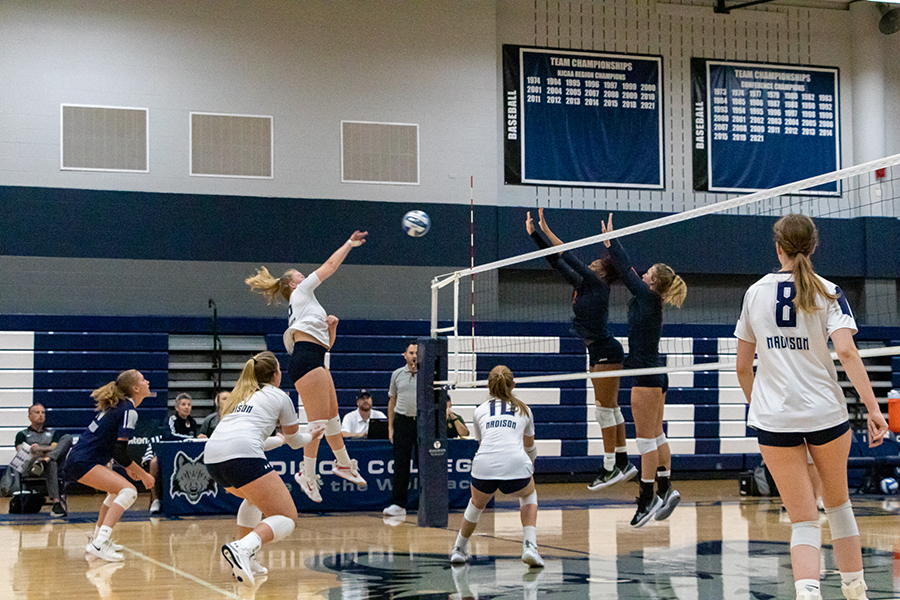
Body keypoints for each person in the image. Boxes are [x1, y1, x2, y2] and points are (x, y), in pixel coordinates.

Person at [734, 213, 888, 600]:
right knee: (838, 508)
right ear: (814, 247)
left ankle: (808, 594)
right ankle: (856, 591)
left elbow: (741, 366)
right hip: (824, 413)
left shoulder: (755, 292)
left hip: (775, 419)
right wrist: (873, 409)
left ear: (778, 247)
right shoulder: (829, 291)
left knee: (802, 520)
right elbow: (848, 352)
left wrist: (761, 406)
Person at [246, 230, 369, 503]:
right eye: (300, 275)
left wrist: (331, 329)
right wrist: (349, 243)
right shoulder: (301, 292)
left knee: (332, 417)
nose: (305, 276)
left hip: (316, 358)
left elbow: (325, 345)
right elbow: (329, 267)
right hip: (305, 361)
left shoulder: (306, 306)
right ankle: (307, 474)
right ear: (293, 285)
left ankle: (344, 464)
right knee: (317, 424)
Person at [528, 208, 636, 490]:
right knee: (610, 408)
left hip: (606, 350)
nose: (591, 264)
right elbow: (556, 261)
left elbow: (568, 253)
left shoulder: (598, 284)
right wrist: (535, 235)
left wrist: (547, 229)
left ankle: (610, 467)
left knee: (603, 410)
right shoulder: (582, 285)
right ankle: (623, 462)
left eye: (596, 263)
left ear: (602, 272)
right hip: (599, 350)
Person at [204, 351, 323, 586]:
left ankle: (247, 558)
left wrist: (278, 440)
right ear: (276, 373)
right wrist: (312, 434)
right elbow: (295, 441)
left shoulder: (240, 397)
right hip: (241, 456)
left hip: (212, 458)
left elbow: (247, 439)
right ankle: (242, 547)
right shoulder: (279, 396)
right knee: (287, 518)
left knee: (251, 499)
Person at [602, 213, 686, 527]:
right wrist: (610, 248)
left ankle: (646, 499)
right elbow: (626, 270)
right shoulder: (649, 297)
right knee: (657, 435)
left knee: (646, 442)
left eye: (647, 273)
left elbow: (625, 270)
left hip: (647, 377)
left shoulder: (649, 298)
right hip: (654, 374)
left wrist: (612, 242)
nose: (643, 273)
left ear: (652, 283)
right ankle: (665, 490)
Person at [449, 365, 543, 568]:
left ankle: (459, 548)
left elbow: (483, 444)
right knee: (528, 494)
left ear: (489, 387)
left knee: (476, 503)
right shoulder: (524, 409)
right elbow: (530, 447)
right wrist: (530, 466)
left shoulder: (479, 410)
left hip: (484, 465)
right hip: (516, 464)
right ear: (514, 385)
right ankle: (529, 546)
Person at [62, 370, 155, 562]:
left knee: (115, 492)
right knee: (129, 491)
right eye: (142, 379)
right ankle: (100, 543)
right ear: (135, 388)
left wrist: (130, 467)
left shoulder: (120, 407)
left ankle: (97, 539)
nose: (147, 381)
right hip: (83, 461)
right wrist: (143, 474)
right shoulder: (129, 410)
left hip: (80, 459)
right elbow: (119, 451)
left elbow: (115, 449)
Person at [12, 404, 74, 517]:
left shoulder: (53, 433)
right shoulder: (22, 435)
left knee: (68, 438)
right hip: (32, 468)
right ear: (30, 416)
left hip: (51, 467)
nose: (41, 415)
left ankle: (45, 461)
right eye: (37, 412)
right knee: (52, 461)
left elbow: (55, 448)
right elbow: (20, 450)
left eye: (43, 412)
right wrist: (36, 450)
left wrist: (40, 449)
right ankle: (56, 503)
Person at [144, 392, 200, 515]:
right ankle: (155, 500)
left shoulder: (193, 422)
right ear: (177, 407)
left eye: (189, 405)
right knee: (154, 463)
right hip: (167, 455)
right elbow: (170, 436)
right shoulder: (171, 420)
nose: (186, 407)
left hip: (186, 458)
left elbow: (194, 442)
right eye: (183, 404)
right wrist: (190, 439)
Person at [383, 341, 418, 518]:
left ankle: (427, 502)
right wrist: (391, 427)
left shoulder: (427, 375)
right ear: (405, 355)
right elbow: (392, 402)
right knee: (401, 465)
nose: (414, 356)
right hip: (402, 423)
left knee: (425, 465)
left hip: (421, 424)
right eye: (411, 353)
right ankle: (398, 504)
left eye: (416, 353)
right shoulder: (396, 374)